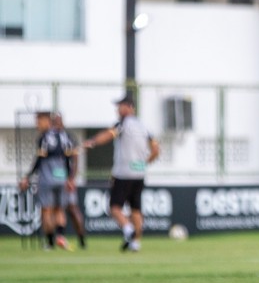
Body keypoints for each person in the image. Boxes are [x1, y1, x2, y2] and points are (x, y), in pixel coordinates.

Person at [83, 94, 160, 252]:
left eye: (121, 106)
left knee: (115, 207)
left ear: (130, 107)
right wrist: (145, 162)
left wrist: (92, 142)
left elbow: (110, 134)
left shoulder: (124, 124)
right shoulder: (143, 126)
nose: (118, 109)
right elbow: (156, 149)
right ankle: (136, 243)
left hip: (124, 173)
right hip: (139, 173)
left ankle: (128, 229)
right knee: (136, 208)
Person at [19, 111, 74, 251]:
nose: (37, 124)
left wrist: (27, 177)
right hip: (61, 177)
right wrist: (70, 178)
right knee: (60, 209)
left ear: (47, 121)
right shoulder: (64, 136)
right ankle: (60, 237)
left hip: (47, 177)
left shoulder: (44, 137)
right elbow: (69, 159)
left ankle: (49, 243)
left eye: (39, 121)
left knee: (46, 211)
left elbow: (39, 160)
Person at [51, 112, 87, 249]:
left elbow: (75, 160)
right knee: (66, 209)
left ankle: (78, 238)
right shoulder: (67, 138)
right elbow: (76, 160)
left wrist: (71, 178)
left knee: (69, 209)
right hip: (64, 179)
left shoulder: (65, 138)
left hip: (64, 180)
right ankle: (75, 240)